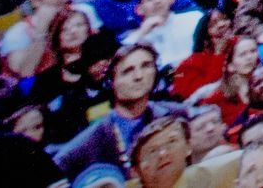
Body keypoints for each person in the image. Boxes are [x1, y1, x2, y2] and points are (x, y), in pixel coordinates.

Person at [54, 42, 183, 178]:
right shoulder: (92, 138)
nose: (139, 76)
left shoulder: (177, 113)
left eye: (146, 66)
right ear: (111, 81)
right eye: (127, 71)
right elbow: (58, 166)